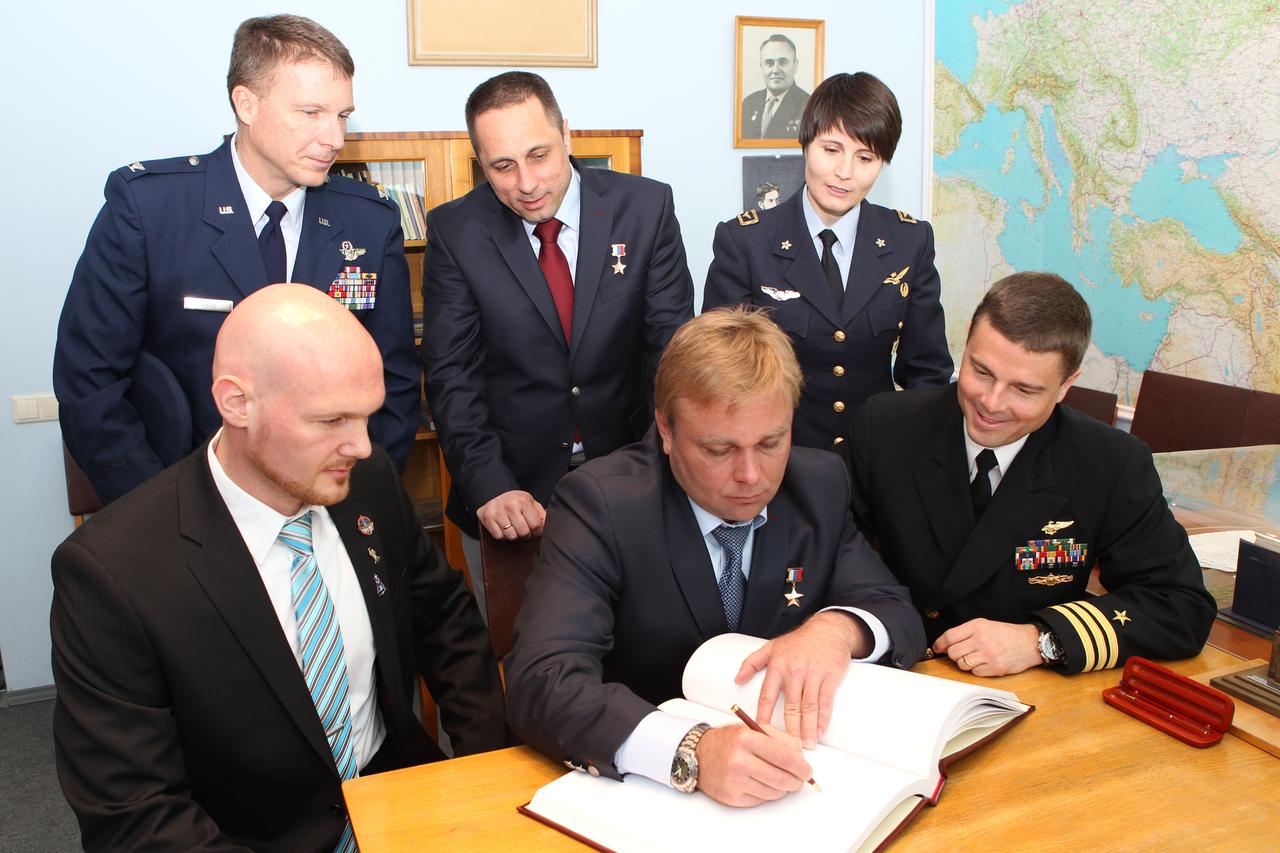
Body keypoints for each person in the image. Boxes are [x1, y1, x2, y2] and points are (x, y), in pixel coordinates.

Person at [51, 284, 507, 852]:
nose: (363, 447)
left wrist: (486, 777)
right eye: (332, 420)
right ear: (237, 403)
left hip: (405, 809)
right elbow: (135, 816)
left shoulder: (368, 485)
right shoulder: (112, 572)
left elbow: (444, 620)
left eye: (368, 415)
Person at [506, 307, 924, 807]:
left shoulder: (818, 485)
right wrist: (690, 750)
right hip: (646, 793)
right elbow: (541, 680)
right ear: (665, 429)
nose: (751, 475)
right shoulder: (600, 503)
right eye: (719, 449)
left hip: (793, 784)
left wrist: (835, 630)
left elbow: (897, 612)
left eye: (771, 442)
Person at [54, 14, 420, 506]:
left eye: (342, 116)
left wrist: (352, 495)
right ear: (245, 103)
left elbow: (394, 382)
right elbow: (89, 381)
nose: (334, 138)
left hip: (326, 501)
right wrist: (160, 509)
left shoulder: (368, 224)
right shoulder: (150, 210)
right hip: (183, 498)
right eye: (311, 113)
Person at [847, 272, 1216, 677]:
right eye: (981, 371)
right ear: (968, 338)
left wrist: (1042, 639)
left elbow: (1181, 606)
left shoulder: (1109, 463)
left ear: (1066, 385)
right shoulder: (885, 426)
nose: (990, 403)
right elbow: (833, 559)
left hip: (1026, 690)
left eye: (1024, 390)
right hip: (896, 673)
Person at [421, 71, 694, 618]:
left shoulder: (645, 209)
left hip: (635, 476)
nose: (527, 182)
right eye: (503, 166)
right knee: (525, 672)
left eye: (539, 154)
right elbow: (453, 376)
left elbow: (672, 360)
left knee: (642, 653)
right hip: (512, 495)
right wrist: (489, 485)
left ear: (567, 135)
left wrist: (653, 473)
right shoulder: (456, 231)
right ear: (481, 163)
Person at [707, 72, 953, 454]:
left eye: (865, 157)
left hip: (879, 461)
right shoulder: (745, 242)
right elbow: (722, 376)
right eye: (831, 150)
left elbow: (927, 373)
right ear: (805, 145)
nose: (845, 172)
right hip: (780, 463)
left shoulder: (909, 241)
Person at [739, 34, 810, 140]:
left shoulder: (808, 105)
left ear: (795, 66)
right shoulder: (749, 103)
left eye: (783, 62)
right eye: (769, 63)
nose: (775, 70)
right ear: (761, 67)